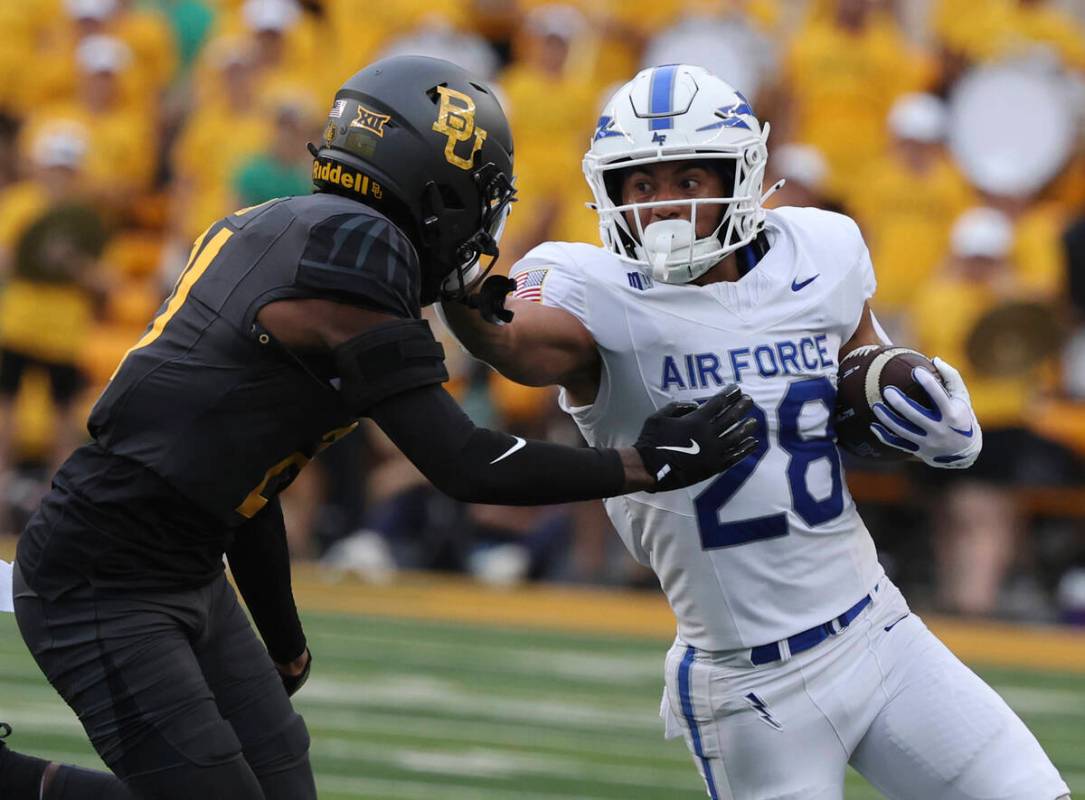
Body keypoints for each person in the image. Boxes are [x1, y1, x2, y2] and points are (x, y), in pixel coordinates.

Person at [0, 56, 758, 800]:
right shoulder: (356, 256)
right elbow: (467, 464)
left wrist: (282, 634)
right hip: (102, 577)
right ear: (433, 185)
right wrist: (645, 463)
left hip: (180, 558)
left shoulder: (283, 224)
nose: (481, 219)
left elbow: (246, 480)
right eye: (477, 194)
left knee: (281, 782)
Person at [439, 64, 1070, 799]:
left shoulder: (821, 250)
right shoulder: (594, 289)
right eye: (641, 185)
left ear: (739, 173)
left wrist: (922, 410)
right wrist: (455, 273)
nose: (663, 205)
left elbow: (859, 360)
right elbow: (512, 341)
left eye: (685, 180)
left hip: (879, 628)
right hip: (752, 685)